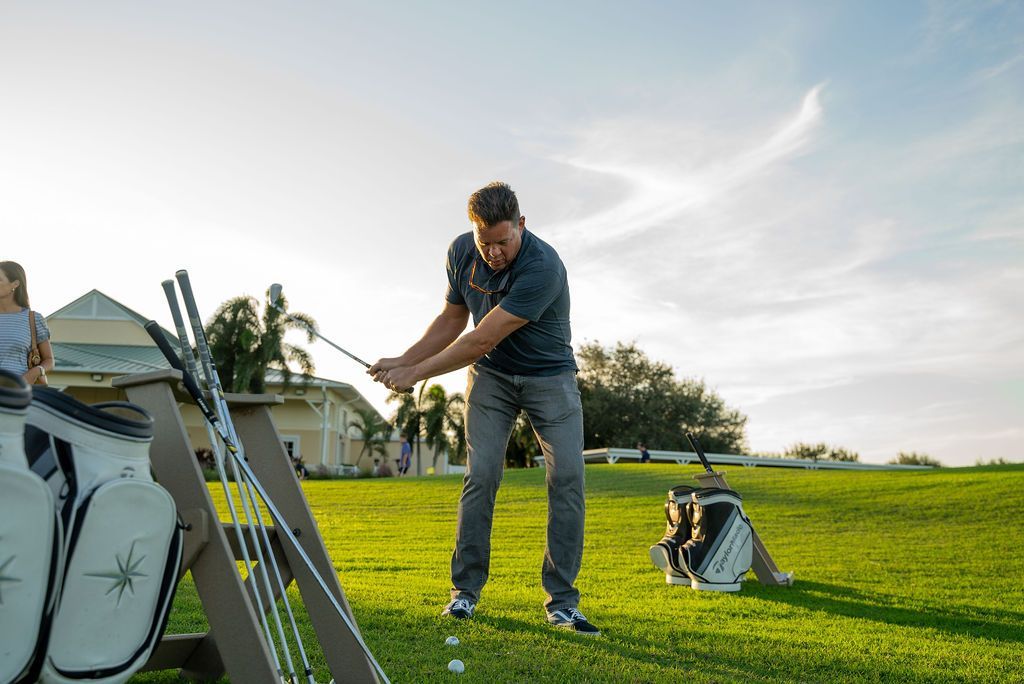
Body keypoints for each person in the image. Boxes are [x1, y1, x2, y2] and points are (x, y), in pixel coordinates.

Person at [368, 182, 598, 636]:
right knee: (482, 475)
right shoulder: (460, 251)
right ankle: (464, 594)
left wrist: (417, 374)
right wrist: (403, 359)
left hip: (550, 379)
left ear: (522, 226)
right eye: (484, 242)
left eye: (502, 241)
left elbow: (481, 338)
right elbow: (453, 320)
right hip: (491, 379)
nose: (493, 252)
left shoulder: (543, 265)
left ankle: (562, 602)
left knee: (568, 478)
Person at [0, 261, 53, 385]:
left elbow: (49, 360)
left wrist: (34, 373)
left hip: (19, 393)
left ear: (15, 284)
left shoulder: (33, 319)